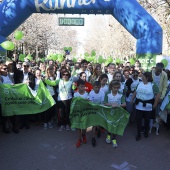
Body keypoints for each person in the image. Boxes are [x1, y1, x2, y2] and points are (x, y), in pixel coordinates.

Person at [131, 72, 160, 141]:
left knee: (147, 120)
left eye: (143, 76)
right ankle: (138, 133)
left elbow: (158, 94)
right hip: (139, 105)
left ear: (147, 77)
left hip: (148, 106)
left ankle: (146, 132)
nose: (141, 77)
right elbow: (135, 91)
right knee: (139, 120)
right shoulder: (139, 83)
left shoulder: (153, 84)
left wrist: (155, 103)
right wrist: (132, 98)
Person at [13, 61, 35, 129]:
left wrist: (29, 83)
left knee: (27, 109)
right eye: (24, 66)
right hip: (20, 94)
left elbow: (33, 85)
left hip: (28, 94)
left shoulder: (31, 75)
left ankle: (27, 123)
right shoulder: (19, 73)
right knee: (21, 109)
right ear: (22, 66)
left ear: (29, 67)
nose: (25, 67)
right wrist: (15, 60)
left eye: (27, 66)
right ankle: (22, 123)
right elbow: (14, 69)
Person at [104, 80, 126, 148]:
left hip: (117, 113)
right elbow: (105, 103)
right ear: (111, 87)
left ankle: (114, 139)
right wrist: (111, 105)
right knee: (109, 125)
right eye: (114, 87)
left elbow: (124, 104)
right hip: (109, 113)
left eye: (117, 88)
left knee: (115, 126)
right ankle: (108, 135)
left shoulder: (120, 94)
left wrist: (118, 105)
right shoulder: (107, 93)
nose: (116, 89)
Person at [0, 64, 19, 134]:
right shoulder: (0, 78)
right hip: (4, 100)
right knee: (4, 115)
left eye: (6, 68)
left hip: (11, 99)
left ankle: (14, 126)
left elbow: (13, 84)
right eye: (4, 69)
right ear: (0, 70)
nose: (6, 70)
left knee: (13, 113)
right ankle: (5, 128)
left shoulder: (10, 76)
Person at [74, 79, 89, 148]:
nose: (83, 88)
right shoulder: (75, 94)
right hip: (78, 113)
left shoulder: (86, 94)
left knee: (84, 126)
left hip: (85, 113)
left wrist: (87, 101)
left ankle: (84, 134)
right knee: (79, 127)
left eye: (83, 86)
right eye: (81, 86)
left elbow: (88, 103)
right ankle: (79, 139)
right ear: (77, 86)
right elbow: (74, 104)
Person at [89, 81, 104, 147]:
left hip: (100, 110)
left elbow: (102, 102)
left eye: (98, 87)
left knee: (99, 123)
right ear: (93, 87)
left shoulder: (102, 93)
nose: (97, 89)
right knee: (94, 124)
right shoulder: (91, 93)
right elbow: (91, 103)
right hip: (94, 110)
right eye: (96, 87)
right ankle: (93, 138)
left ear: (100, 87)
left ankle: (99, 130)